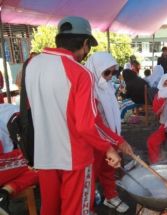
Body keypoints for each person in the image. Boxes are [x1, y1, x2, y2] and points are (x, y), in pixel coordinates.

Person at [25, 16, 123, 215]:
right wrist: (108, 149)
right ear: (85, 43)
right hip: (75, 158)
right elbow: (86, 126)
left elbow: (30, 110)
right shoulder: (80, 73)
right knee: (75, 210)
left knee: (50, 208)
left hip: (44, 154)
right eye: (88, 47)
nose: (86, 53)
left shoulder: (32, 65)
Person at [85, 52, 133, 213]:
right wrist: (117, 141)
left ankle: (111, 197)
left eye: (113, 72)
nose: (110, 76)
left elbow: (112, 114)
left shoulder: (107, 86)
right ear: (95, 70)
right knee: (90, 176)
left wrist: (117, 138)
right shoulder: (88, 90)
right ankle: (87, 207)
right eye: (106, 72)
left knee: (108, 170)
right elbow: (95, 123)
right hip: (93, 140)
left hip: (109, 136)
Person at [0, 104, 38, 215]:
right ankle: (4, 194)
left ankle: (4, 193)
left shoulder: (8, 109)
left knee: (37, 163)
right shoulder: (9, 110)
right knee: (41, 163)